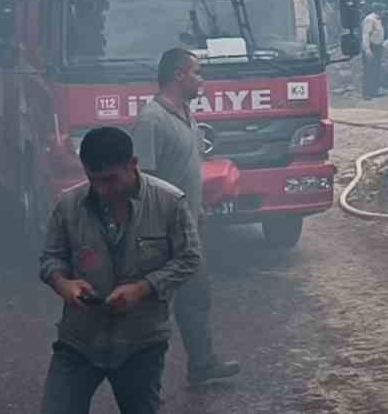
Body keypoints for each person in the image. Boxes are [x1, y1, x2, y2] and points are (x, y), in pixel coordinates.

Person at [38, 127, 202, 414]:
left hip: (141, 342)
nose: (102, 190)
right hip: (79, 341)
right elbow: (51, 259)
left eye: (110, 179)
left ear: (133, 164)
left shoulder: (169, 202)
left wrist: (143, 288)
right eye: (93, 180)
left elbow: (189, 259)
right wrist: (64, 285)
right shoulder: (67, 204)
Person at [131, 49, 240, 385]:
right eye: (197, 72)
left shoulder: (186, 114)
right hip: (163, 233)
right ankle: (138, 379)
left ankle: (202, 365)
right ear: (178, 76)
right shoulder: (152, 120)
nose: (201, 79)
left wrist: (198, 212)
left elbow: (185, 173)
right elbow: (140, 181)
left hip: (188, 227)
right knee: (154, 308)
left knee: (195, 296)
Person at [362, 4, 388, 99]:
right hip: (371, 46)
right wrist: (367, 49)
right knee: (369, 70)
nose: (385, 12)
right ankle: (367, 93)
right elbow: (366, 35)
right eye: (384, 10)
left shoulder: (379, 20)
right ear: (379, 10)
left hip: (378, 47)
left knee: (376, 69)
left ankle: (375, 91)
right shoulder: (370, 19)